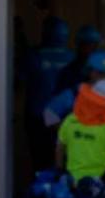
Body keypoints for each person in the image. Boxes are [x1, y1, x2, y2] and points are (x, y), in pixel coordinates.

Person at [19, 15, 74, 177]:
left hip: (38, 117)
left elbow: (19, 78)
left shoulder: (34, 56)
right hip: (65, 117)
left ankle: (44, 192)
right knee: (65, 159)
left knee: (41, 161)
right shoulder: (72, 58)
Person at [54, 76, 105, 188]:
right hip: (100, 189)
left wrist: (59, 174)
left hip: (72, 186)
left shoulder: (71, 119)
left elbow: (59, 149)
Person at [42, 50, 105, 129]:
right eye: (100, 73)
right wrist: (69, 131)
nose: (104, 78)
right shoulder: (75, 93)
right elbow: (49, 114)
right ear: (89, 72)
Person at [53, 23, 104, 96]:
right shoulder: (68, 72)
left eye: (95, 46)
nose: (93, 50)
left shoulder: (101, 72)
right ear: (80, 45)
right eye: (89, 45)